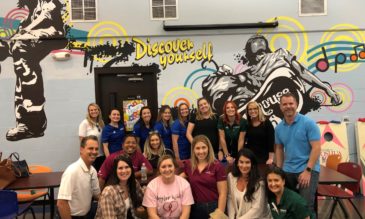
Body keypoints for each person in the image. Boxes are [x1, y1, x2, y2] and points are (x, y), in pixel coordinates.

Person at [202, 35, 341, 117]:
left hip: (286, 109)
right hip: (267, 115)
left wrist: (327, 89)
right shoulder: (250, 73)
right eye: (257, 53)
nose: (261, 56)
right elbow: (302, 72)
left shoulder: (279, 55)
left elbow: (302, 72)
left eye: (261, 51)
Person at [0, 0, 67, 141]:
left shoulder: (49, 4)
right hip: (32, 37)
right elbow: (20, 33)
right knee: (20, 66)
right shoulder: (29, 14)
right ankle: (25, 123)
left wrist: (23, 34)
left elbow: (44, 20)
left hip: (53, 35)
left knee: (22, 58)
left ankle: (33, 124)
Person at [275, 92, 321, 216]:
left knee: (305, 205)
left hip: (307, 169)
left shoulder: (308, 123)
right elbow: (279, 149)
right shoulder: (279, 128)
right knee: (288, 204)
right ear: (280, 107)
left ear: (296, 104)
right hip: (288, 170)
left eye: (291, 103)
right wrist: (279, 171)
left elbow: (316, 148)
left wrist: (308, 171)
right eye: (285, 104)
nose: (288, 106)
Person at [181, 135, 227, 219]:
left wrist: (219, 215)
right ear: (193, 150)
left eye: (204, 147)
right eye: (197, 148)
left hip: (214, 207)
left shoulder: (218, 166)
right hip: (195, 208)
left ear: (208, 148)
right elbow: (178, 179)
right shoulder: (188, 164)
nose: (201, 151)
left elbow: (223, 194)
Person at [57, 135, 100, 218]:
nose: (94, 152)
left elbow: (97, 195)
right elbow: (61, 204)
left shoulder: (93, 171)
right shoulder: (72, 171)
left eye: (96, 149)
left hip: (86, 214)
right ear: (81, 150)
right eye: (90, 148)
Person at [227, 148, 271, 219]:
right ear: (237, 163)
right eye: (241, 162)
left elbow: (257, 209)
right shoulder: (231, 177)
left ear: (252, 164)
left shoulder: (259, 182)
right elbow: (230, 199)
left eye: (247, 162)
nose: (244, 166)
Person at [78, 103, 105, 171]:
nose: (93, 111)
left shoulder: (101, 122)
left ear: (98, 111)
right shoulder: (85, 123)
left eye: (95, 109)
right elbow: (82, 141)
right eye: (91, 110)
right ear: (89, 112)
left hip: (101, 154)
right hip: (91, 155)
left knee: (99, 175)